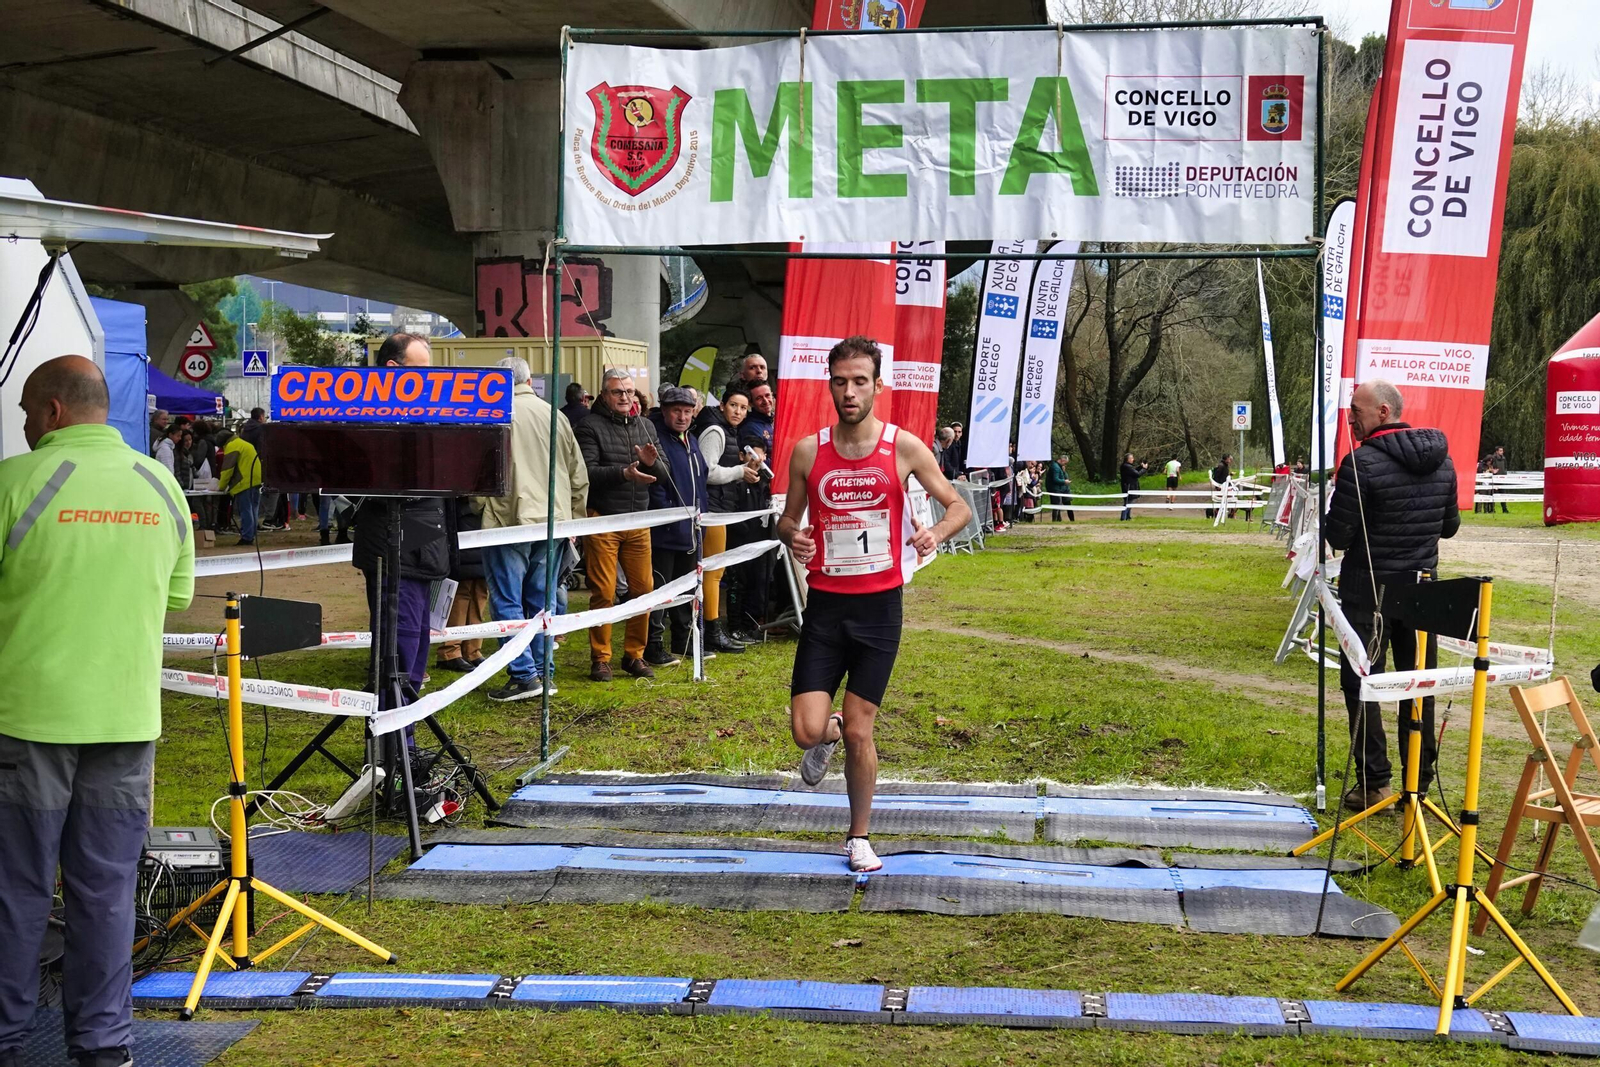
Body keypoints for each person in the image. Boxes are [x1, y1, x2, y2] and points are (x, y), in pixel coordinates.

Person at [0, 355, 194, 1067]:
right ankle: (105, 1046)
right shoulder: (163, 487)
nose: (24, 426)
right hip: (126, 722)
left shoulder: (12, 483)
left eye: (26, 412)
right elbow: (174, 598)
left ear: (52, 410)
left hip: (27, 721)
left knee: (16, 890)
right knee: (107, 891)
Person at [778, 336, 972, 873]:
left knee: (863, 730)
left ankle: (858, 837)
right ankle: (830, 732)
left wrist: (934, 533)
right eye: (840, 381)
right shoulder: (809, 451)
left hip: (879, 610)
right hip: (825, 608)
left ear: (877, 386)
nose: (850, 392)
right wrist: (793, 536)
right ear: (830, 386)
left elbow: (958, 506)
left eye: (860, 381)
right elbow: (788, 519)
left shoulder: (903, 447)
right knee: (805, 731)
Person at [1325, 380, 1459, 812]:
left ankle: (1374, 782)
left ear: (1384, 412)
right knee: (1418, 686)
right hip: (1423, 590)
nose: (1350, 418)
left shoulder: (1359, 464)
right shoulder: (1444, 462)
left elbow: (1338, 536)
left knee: (1361, 683)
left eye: (1356, 410)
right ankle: (1417, 784)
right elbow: (1449, 527)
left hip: (1369, 592)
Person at [351, 334, 456, 702]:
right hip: (395, 549)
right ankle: (394, 730)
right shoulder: (368, 415)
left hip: (425, 548)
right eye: (421, 371)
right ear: (393, 369)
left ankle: (403, 727)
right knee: (399, 649)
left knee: (416, 649)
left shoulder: (429, 414)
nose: (430, 380)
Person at [477, 356, 590, 700]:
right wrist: (573, 519)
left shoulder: (493, 415)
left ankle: (524, 675)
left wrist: (481, 508)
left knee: (506, 600)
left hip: (507, 521)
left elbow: (479, 474)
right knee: (543, 600)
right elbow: (577, 474)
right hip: (552, 522)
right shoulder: (556, 416)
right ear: (529, 381)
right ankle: (543, 672)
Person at [575, 368, 670, 681]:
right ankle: (600, 658)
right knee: (604, 591)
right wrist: (624, 473)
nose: (625, 397)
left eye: (629, 391)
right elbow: (586, 472)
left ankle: (634, 656)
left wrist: (651, 463)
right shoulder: (589, 426)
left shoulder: (646, 425)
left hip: (638, 520)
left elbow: (664, 473)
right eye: (618, 392)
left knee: (644, 590)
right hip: (602, 518)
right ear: (604, 395)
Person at [646, 386, 711, 662]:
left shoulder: (691, 440)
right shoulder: (657, 441)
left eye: (687, 411)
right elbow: (656, 485)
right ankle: (653, 644)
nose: (682, 417)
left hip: (693, 531)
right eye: (676, 411)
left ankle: (683, 641)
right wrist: (670, 515)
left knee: (687, 587)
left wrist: (702, 515)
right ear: (665, 411)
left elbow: (702, 480)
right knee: (660, 589)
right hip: (666, 531)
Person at [698, 386, 761, 654]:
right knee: (713, 573)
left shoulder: (729, 431)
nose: (738, 411)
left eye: (743, 408)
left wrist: (743, 470)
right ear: (722, 405)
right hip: (711, 510)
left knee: (716, 573)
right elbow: (707, 472)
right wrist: (739, 471)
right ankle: (711, 631)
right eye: (734, 405)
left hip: (721, 508)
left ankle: (711, 629)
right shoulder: (715, 431)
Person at [434, 497, 488, 674]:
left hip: (481, 526)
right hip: (461, 523)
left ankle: (472, 650)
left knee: (480, 592)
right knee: (460, 591)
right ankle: (450, 651)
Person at [216, 427, 262, 544]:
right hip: (256, 480)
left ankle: (246, 537)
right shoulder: (245, 444)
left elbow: (227, 469)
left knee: (245, 510)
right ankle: (251, 534)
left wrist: (221, 486)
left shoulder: (232, 446)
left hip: (244, 482)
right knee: (253, 509)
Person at [1119, 453, 1149, 521]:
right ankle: (1123, 517)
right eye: (1132, 458)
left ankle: (1127, 517)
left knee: (1129, 502)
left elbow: (1134, 471)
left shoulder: (1126, 466)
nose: (1133, 459)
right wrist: (1144, 469)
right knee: (1128, 502)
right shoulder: (1127, 467)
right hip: (1129, 487)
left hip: (1128, 486)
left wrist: (1140, 467)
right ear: (1128, 459)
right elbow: (1137, 474)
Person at [1044, 454, 1073, 522]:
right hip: (1055, 489)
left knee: (1060, 505)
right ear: (1062, 460)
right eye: (1065, 463)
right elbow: (1055, 479)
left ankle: (1059, 520)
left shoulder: (1059, 467)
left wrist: (1064, 472)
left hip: (1061, 489)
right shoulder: (1055, 467)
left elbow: (1064, 476)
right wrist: (1064, 481)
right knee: (1056, 505)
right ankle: (1055, 520)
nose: (1065, 465)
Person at [1206, 454, 1232, 520]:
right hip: (1221, 486)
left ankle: (1223, 514)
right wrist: (1218, 486)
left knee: (1225, 500)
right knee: (1219, 500)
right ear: (1226, 459)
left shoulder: (1225, 466)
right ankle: (1217, 513)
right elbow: (1216, 477)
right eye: (1229, 458)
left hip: (1225, 486)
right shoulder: (1221, 466)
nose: (1230, 460)